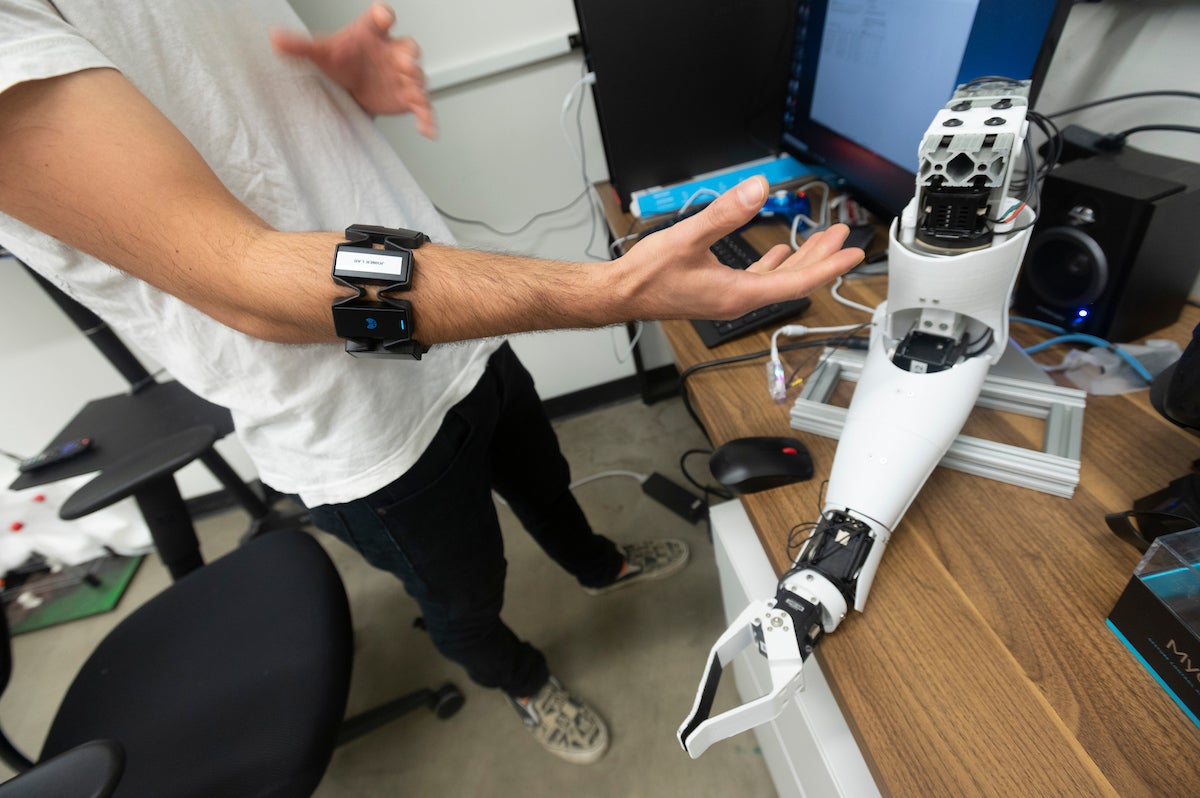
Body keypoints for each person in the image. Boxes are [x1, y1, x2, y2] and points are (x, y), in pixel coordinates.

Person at [0, 1, 864, 764]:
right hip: (354, 426)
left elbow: (207, 110)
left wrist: (326, 90)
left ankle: (599, 566)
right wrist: (605, 293)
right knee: (465, 599)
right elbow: (247, 280)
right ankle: (522, 680)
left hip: (465, 335)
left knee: (549, 487)